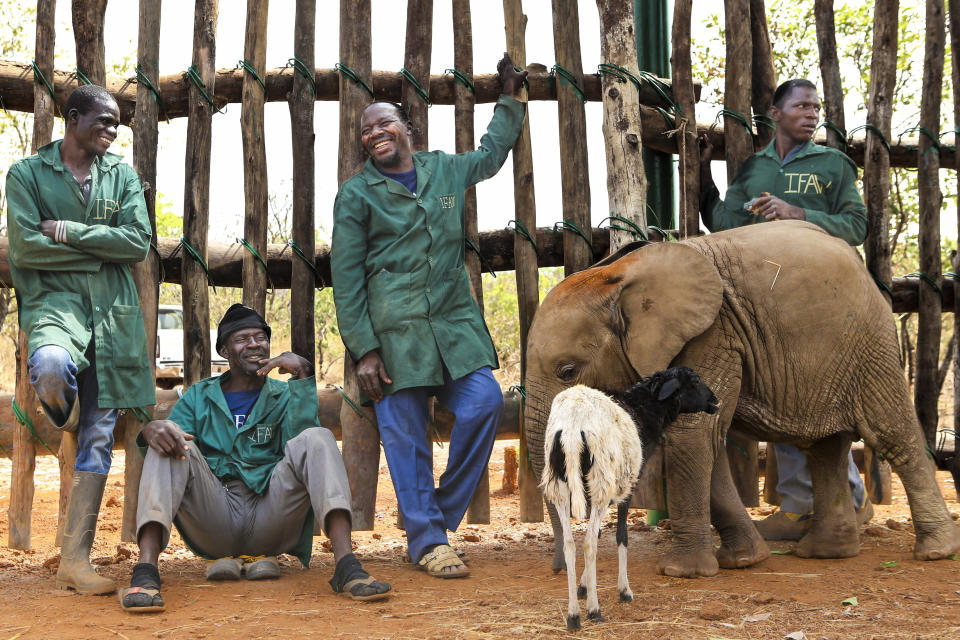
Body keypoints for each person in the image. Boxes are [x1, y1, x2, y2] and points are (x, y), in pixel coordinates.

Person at [331, 54, 527, 578]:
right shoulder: (355, 195)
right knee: (404, 433)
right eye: (365, 130)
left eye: (384, 123)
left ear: (407, 129)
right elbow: (347, 280)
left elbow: (490, 155)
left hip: (454, 327)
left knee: (485, 402)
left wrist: (511, 99)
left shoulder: (444, 169)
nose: (374, 134)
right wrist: (365, 350)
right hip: (393, 336)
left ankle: (434, 516)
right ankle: (428, 541)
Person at [119, 304, 391, 613]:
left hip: (271, 515)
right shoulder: (199, 396)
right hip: (214, 517)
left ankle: (346, 565)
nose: (253, 344)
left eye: (260, 337)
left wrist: (302, 377)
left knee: (318, 437)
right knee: (171, 442)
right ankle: (146, 572)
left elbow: (302, 445)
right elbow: (171, 440)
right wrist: (155, 428)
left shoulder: (283, 394)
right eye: (242, 338)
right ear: (224, 350)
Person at [698, 78, 872, 540]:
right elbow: (724, 224)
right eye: (801, 106)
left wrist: (796, 214)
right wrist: (699, 179)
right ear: (775, 114)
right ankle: (813, 507)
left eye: (816, 106)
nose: (812, 113)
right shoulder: (754, 169)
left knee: (824, 400)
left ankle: (840, 503)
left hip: (823, 303)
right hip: (769, 303)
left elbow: (856, 225)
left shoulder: (833, 164)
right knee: (787, 400)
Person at [5, 84, 155, 595]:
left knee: (96, 436)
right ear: (72, 118)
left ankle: (75, 560)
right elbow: (25, 249)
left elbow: (137, 242)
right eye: (104, 121)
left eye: (118, 124)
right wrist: (99, 252)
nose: (113, 132)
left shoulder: (123, 175)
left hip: (113, 317)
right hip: (55, 306)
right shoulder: (27, 174)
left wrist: (69, 231)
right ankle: (62, 412)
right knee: (49, 367)